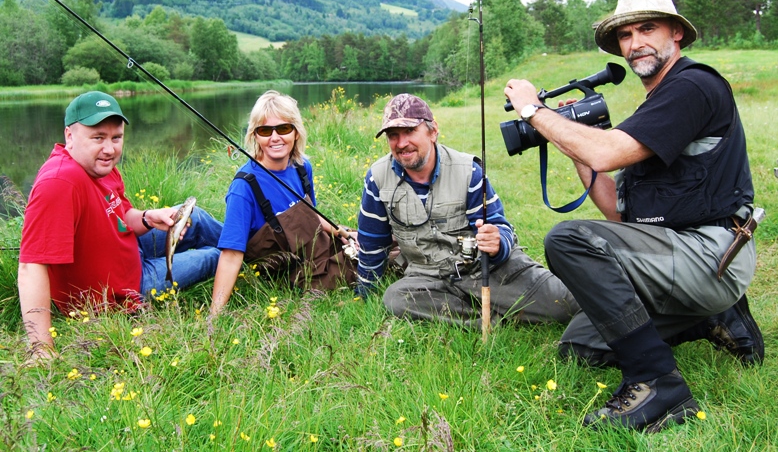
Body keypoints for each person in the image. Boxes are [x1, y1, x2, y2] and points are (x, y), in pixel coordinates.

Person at [504, 0, 764, 432]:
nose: (634, 42)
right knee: (581, 348)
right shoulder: (656, 107)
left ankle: (658, 385)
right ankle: (712, 317)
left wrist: (534, 111)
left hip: (712, 252)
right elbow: (617, 215)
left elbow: (605, 153)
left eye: (647, 29)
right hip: (673, 253)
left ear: (675, 33)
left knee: (569, 240)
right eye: (625, 35)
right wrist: (573, 139)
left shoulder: (694, 86)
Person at [18, 91, 222, 358]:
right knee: (214, 256)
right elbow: (31, 266)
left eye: (116, 137)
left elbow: (122, 215)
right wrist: (42, 348)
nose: (110, 149)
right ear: (70, 136)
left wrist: (148, 217)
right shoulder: (60, 183)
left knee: (196, 216)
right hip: (124, 287)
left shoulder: (100, 166)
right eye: (98, 137)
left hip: (129, 249)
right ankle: (253, 255)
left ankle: (260, 244)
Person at [355, 93, 579, 327]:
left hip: (486, 270)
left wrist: (497, 243)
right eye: (393, 135)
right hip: (428, 277)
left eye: (410, 131)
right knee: (395, 299)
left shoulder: (468, 171)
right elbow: (372, 243)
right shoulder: (377, 178)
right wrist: (364, 294)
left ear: (433, 131)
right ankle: (494, 319)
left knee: (566, 305)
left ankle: (491, 308)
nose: (401, 143)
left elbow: (501, 227)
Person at [209, 90, 356, 317]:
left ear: (296, 132)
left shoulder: (302, 167)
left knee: (374, 245)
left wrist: (340, 231)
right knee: (359, 267)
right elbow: (231, 255)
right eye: (265, 131)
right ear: (255, 136)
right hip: (284, 268)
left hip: (313, 246)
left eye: (284, 128)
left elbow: (312, 216)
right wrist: (214, 316)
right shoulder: (243, 187)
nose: (275, 137)